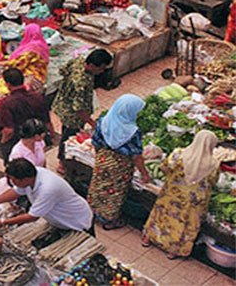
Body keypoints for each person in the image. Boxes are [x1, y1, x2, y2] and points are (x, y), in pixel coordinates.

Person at [142, 130, 219, 259]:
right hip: (194, 201)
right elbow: (213, 182)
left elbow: (164, 168)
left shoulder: (178, 154)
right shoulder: (214, 164)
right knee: (184, 223)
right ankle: (173, 250)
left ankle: (149, 238)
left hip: (172, 194)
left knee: (162, 215)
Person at [87, 94, 151, 230]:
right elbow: (137, 156)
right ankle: (108, 220)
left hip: (102, 159)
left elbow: (96, 142)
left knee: (98, 185)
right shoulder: (132, 132)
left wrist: (101, 158)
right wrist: (144, 173)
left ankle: (93, 211)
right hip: (120, 167)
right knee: (114, 192)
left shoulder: (103, 121)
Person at [0, 159, 94, 234]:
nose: (12, 182)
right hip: (59, 220)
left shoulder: (47, 188)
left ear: (26, 179)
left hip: (76, 222)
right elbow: (16, 192)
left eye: (14, 180)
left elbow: (32, 216)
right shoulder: (32, 174)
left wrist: (3, 222)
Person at [52, 49, 113, 171]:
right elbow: (79, 109)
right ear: (91, 65)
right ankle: (62, 162)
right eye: (101, 69)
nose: (101, 72)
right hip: (72, 115)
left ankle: (64, 159)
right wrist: (92, 123)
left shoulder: (78, 61)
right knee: (69, 137)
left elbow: (62, 70)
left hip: (62, 102)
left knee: (66, 131)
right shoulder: (82, 82)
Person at [0, 68, 54, 157]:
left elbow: (9, 130)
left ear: (7, 84)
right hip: (36, 137)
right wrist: (52, 134)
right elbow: (47, 120)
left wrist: (3, 142)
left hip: (17, 140)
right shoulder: (37, 97)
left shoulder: (7, 103)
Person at [0, 119, 49, 195]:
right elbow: (18, 177)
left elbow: (43, 160)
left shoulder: (40, 143)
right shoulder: (17, 153)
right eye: (43, 133)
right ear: (36, 136)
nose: (45, 134)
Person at [5, 23, 50, 89]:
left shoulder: (33, 47)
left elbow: (20, 63)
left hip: (34, 72)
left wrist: (5, 64)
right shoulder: (41, 42)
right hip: (40, 68)